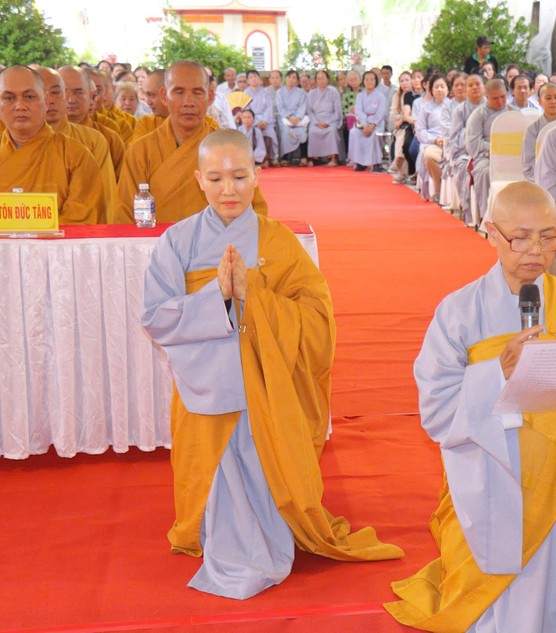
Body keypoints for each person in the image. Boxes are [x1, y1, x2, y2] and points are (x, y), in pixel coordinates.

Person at [141, 129, 403, 600]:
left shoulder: (279, 242)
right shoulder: (176, 242)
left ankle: (265, 534)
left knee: (265, 482)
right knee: (218, 486)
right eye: (217, 178)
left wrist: (253, 295)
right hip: (207, 390)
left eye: (240, 176)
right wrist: (216, 296)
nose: (229, 189)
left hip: (267, 387)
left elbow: (318, 317)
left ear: (257, 176)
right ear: (199, 179)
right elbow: (156, 318)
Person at [385, 181, 556, 632]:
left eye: (548, 236)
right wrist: (497, 373)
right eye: (521, 236)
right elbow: (435, 410)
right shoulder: (458, 312)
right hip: (493, 479)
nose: (536, 249)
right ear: (491, 233)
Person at [117, 60, 269, 223]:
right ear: (164, 97)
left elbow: (254, 209)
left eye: (197, 92)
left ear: (210, 97)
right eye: (179, 92)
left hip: (218, 245)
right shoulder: (141, 151)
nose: (188, 102)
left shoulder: (228, 149)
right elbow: (125, 215)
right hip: (157, 246)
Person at [0, 65, 106, 224]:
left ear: (46, 101)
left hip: (56, 248)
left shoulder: (76, 156)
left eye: (29, 97)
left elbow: (83, 220)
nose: (20, 106)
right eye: (9, 98)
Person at [36, 66, 117, 223]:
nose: (49, 100)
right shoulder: (14, 143)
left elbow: (106, 199)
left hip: (79, 238)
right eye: (41, 94)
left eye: (55, 92)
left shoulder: (94, 140)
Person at [58, 65, 125, 177]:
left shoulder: (108, 138)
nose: (71, 100)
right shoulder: (38, 136)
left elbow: (121, 184)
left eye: (78, 92)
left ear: (91, 96)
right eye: (63, 92)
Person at [465, 78, 513, 218]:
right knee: (485, 172)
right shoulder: (478, 115)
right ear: (487, 97)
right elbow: (474, 144)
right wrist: (496, 147)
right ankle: (489, 217)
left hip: (512, 156)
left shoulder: (513, 112)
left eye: (503, 97)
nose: (500, 101)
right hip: (486, 157)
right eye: (495, 98)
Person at [446, 74, 485, 222]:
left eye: (478, 84)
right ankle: (470, 211)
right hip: (464, 153)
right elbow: (454, 137)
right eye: (471, 85)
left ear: (484, 88)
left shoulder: (491, 107)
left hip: (487, 152)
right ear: (466, 90)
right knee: (463, 168)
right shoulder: (460, 110)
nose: (475, 87)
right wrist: (471, 136)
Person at [415, 73, 450, 200]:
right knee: (429, 156)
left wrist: (447, 140)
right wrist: (434, 139)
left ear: (448, 89)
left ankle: (452, 195)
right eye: (436, 87)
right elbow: (420, 130)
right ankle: (440, 191)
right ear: (431, 90)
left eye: (442, 86)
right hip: (433, 143)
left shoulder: (454, 106)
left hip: (451, 143)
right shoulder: (426, 107)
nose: (439, 90)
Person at [522, 83, 556, 181]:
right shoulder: (533, 129)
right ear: (540, 102)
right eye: (548, 98)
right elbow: (528, 164)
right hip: (540, 179)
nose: (553, 101)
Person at [348, 70, 387, 172]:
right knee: (354, 133)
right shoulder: (360, 96)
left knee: (374, 134)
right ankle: (360, 162)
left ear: (376, 81)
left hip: (376, 122)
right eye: (367, 79)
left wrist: (372, 125)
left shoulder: (381, 96)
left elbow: (381, 113)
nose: (369, 82)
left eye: (372, 79)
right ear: (363, 81)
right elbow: (359, 112)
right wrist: (365, 125)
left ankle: (376, 162)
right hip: (363, 122)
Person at [306, 70, 342, 167]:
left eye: (323, 78)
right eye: (319, 78)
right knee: (312, 131)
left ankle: (334, 158)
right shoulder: (311, 94)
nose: (321, 81)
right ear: (316, 80)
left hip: (331, 120)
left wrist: (327, 122)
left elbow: (337, 111)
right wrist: (316, 122)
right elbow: (309, 112)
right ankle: (314, 158)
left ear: (328, 80)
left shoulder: (334, 92)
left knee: (331, 130)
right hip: (316, 120)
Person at [244, 69, 279, 166]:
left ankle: (272, 157)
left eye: (255, 77)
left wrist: (264, 121)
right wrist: (255, 122)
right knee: (252, 134)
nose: (254, 79)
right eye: (251, 77)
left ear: (259, 78)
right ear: (248, 81)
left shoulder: (265, 92)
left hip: (265, 120)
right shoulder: (246, 93)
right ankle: (256, 160)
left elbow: (269, 108)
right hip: (252, 121)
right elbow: (247, 110)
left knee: (270, 132)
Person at [275, 70, 309, 166]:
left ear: (297, 81)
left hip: (298, 118)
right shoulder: (279, 92)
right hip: (285, 118)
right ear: (285, 79)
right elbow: (280, 107)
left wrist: (297, 118)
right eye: (289, 77)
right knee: (286, 132)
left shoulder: (301, 92)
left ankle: (303, 157)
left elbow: (303, 106)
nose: (291, 79)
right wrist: (289, 117)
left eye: (294, 77)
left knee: (302, 131)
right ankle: (285, 157)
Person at [132, 69, 170, 143]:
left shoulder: (188, 122)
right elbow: (137, 152)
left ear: (165, 94)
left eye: (151, 95)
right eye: (146, 95)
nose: (148, 102)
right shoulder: (146, 123)